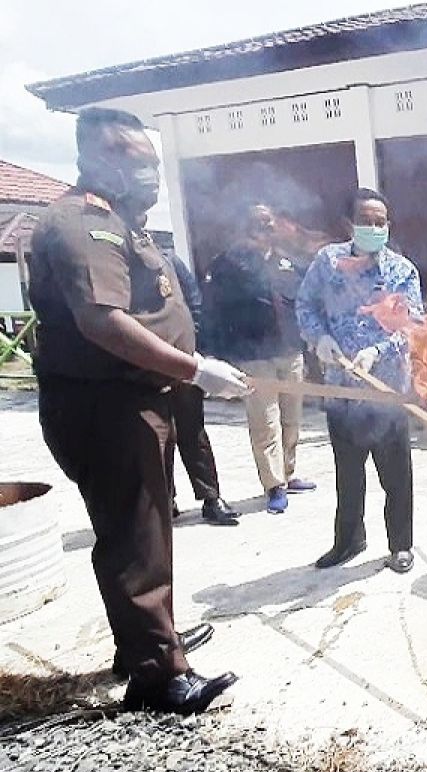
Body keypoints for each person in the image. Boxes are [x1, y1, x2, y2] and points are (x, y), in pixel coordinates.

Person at [29, 108, 245, 712]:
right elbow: (103, 322)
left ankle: (150, 640)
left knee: (146, 531)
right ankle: (159, 676)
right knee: (135, 537)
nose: (151, 172)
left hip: (139, 399)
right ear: (98, 157)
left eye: (153, 161)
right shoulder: (80, 224)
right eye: (137, 160)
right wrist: (194, 370)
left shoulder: (124, 224)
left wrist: (189, 363)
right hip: (108, 406)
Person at [296, 188, 422, 573]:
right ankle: (349, 540)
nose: (373, 227)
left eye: (379, 221)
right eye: (365, 220)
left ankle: (400, 545)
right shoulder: (327, 262)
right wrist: (320, 339)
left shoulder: (402, 270)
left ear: (388, 225)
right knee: (348, 474)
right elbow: (306, 305)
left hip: (386, 390)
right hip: (341, 390)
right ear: (350, 224)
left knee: (395, 475)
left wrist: (379, 351)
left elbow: (412, 325)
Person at [204, 202, 315, 515]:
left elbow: (303, 301)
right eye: (258, 223)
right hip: (254, 356)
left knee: (292, 419)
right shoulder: (228, 264)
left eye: (269, 223)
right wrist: (216, 354)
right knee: (265, 423)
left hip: (290, 351)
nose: (265, 228)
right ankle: (273, 485)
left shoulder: (287, 261)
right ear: (244, 226)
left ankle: (289, 474)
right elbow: (213, 310)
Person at [144, 223, 239, 526]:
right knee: (158, 434)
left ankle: (211, 498)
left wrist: (192, 348)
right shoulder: (118, 265)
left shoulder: (169, 260)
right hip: (144, 367)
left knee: (192, 431)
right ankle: (165, 499)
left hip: (184, 363)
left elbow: (194, 304)